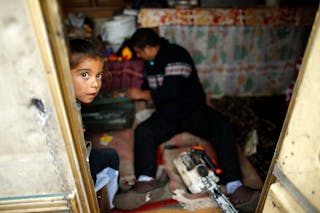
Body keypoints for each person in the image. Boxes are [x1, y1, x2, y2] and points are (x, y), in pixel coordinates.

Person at [114, 28, 260, 212]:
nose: (139, 55)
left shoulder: (175, 55)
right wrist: (142, 94)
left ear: (150, 47)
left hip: (192, 111)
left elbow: (171, 91)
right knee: (144, 131)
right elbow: (151, 88)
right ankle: (145, 182)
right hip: (168, 115)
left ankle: (235, 187)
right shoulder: (150, 63)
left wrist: (141, 94)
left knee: (223, 127)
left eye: (139, 51)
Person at [69, 38, 120, 207]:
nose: (96, 83)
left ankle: (108, 204)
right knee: (110, 157)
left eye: (98, 75)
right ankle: (109, 206)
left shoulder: (72, 102)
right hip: (71, 173)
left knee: (109, 155)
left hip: (81, 158)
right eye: (85, 74)